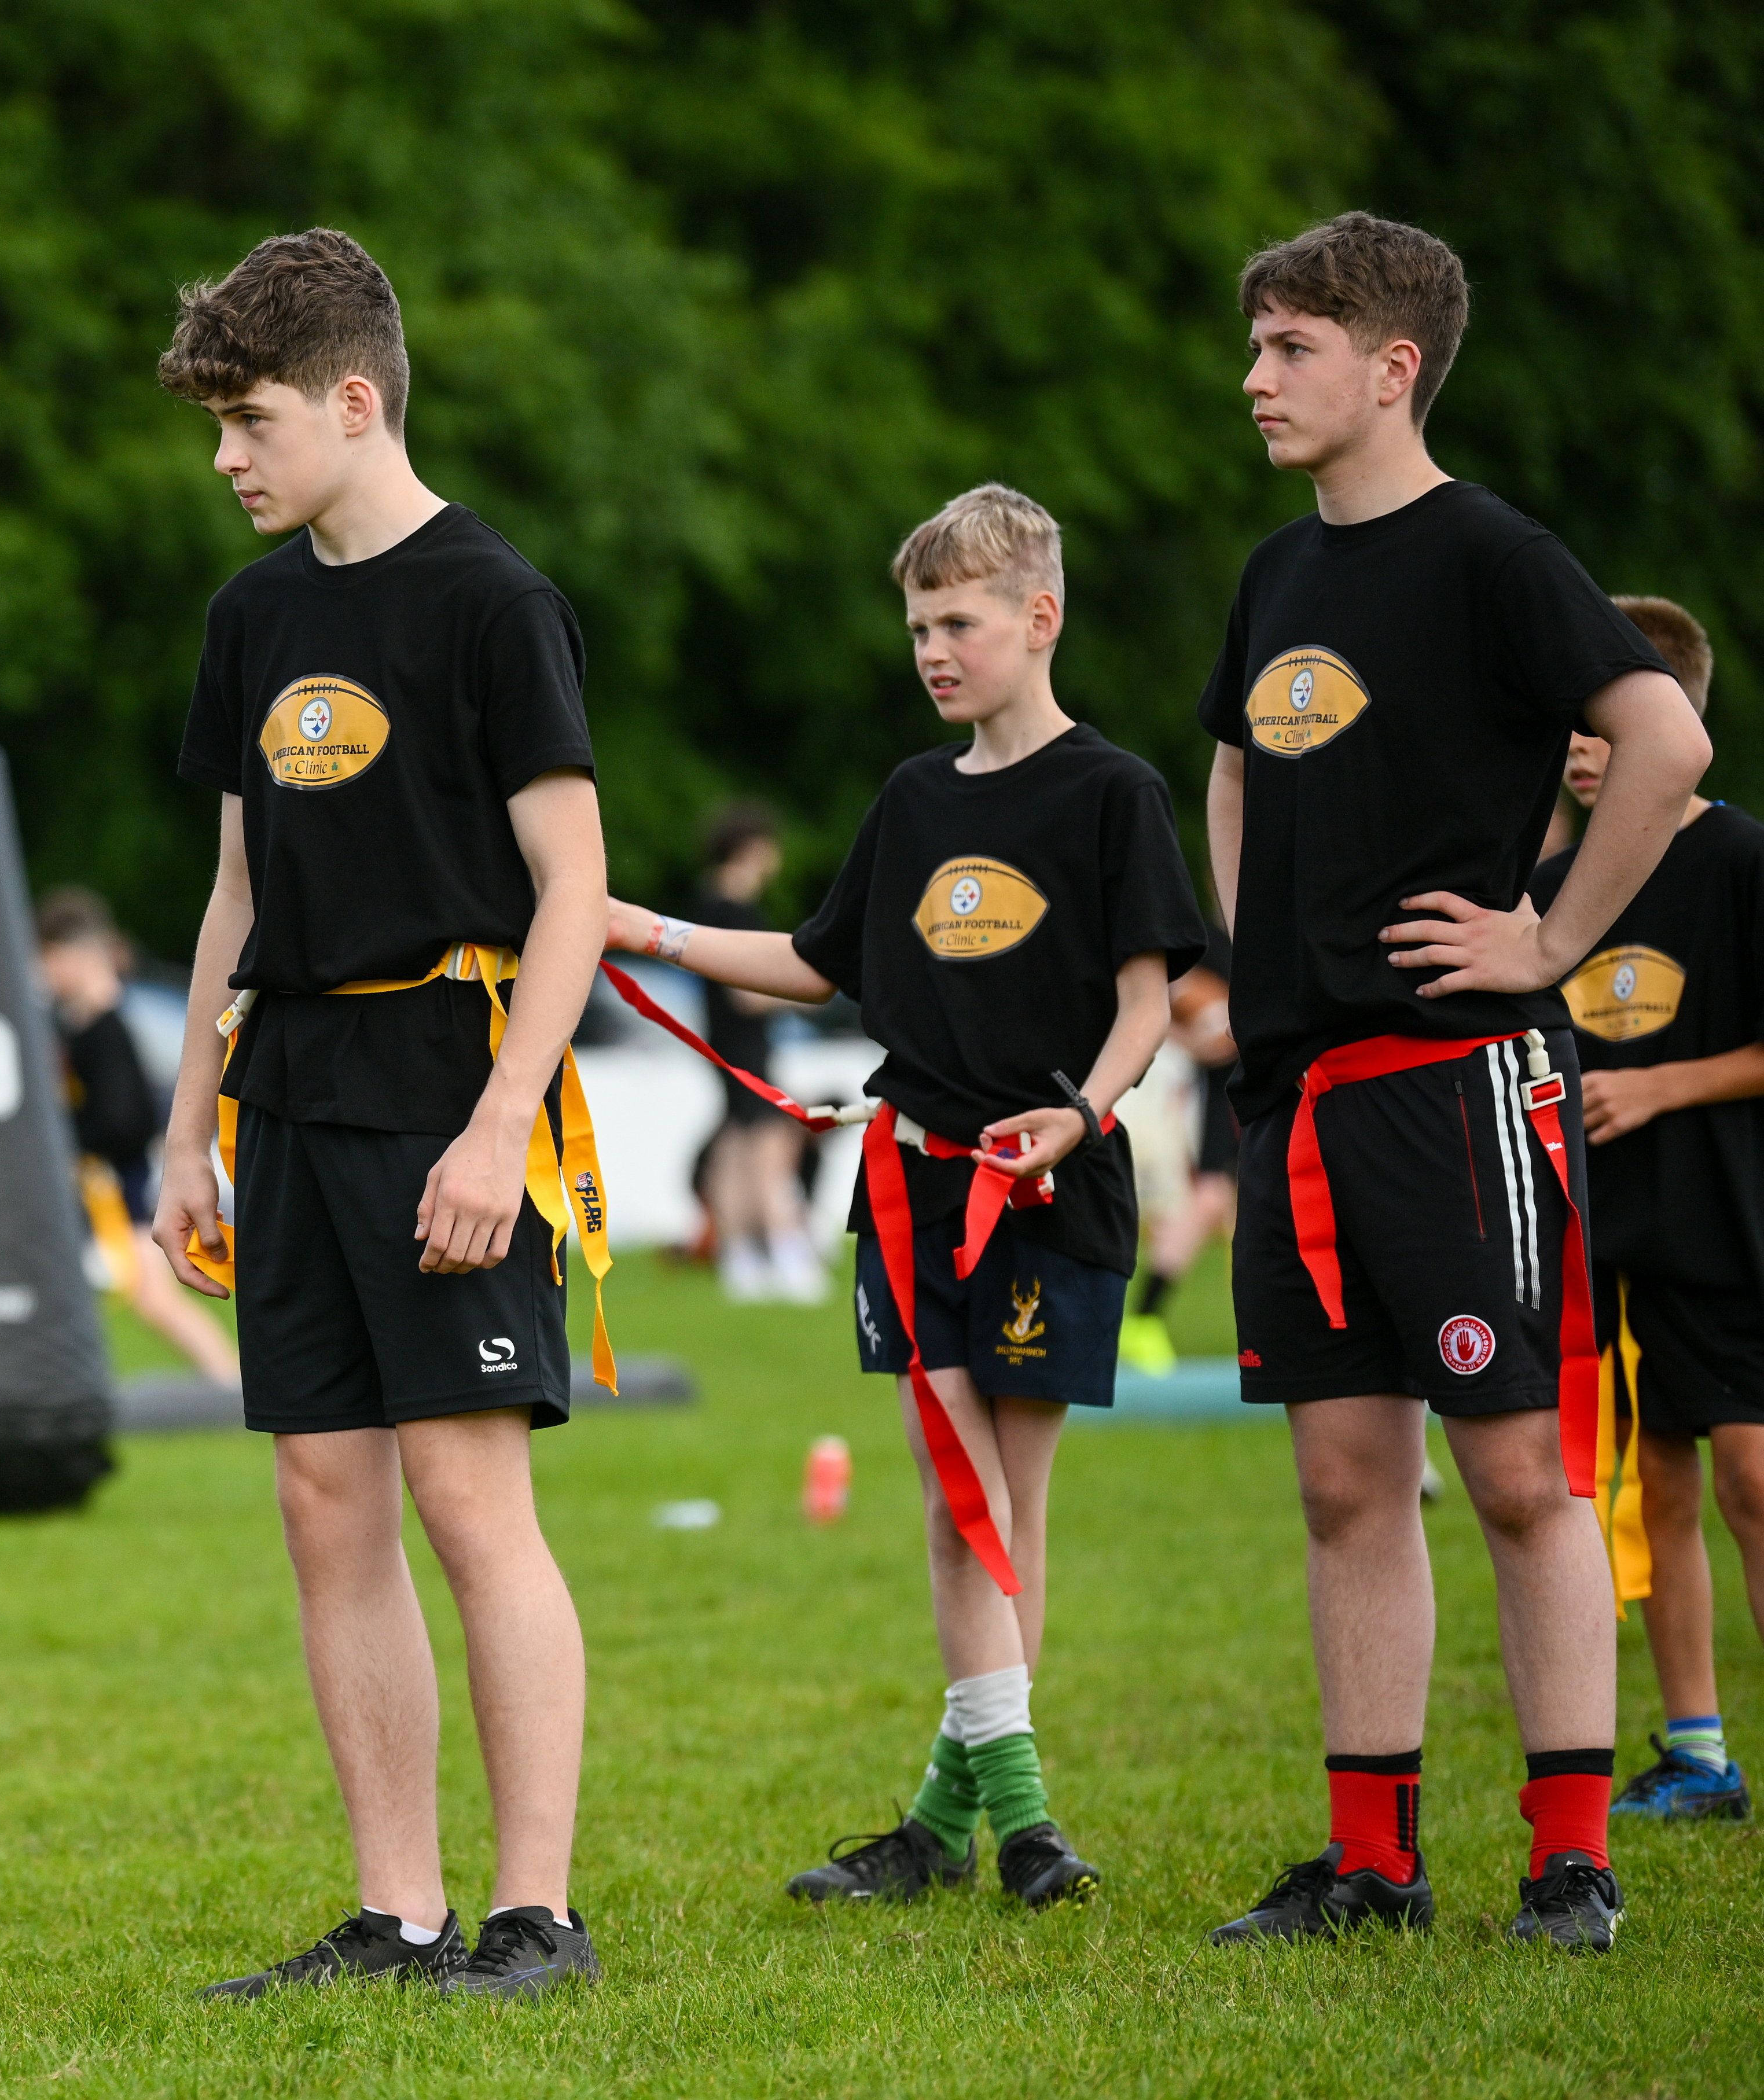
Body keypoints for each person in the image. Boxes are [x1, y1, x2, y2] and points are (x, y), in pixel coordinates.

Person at [1195, 214, 1708, 1952]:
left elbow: (1663, 740)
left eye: (1286, 348)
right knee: (1343, 1480)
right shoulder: (1275, 576)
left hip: (1453, 1081)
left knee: (1509, 1473)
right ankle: (1369, 1870)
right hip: (1297, 1093)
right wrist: (1243, 945)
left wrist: (1546, 942)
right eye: (1254, 345)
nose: (1252, 377)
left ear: (1388, 365)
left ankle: (1567, 1852)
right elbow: (1229, 763)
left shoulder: (1484, 551)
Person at [610, 484, 1201, 1912]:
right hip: (910, 1191)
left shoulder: (1113, 792)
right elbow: (820, 961)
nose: (931, 649)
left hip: (1047, 1190)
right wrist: (642, 927)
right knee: (958, 1501)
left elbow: (1147, 997)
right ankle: (1021, 1821)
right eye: (917, 625)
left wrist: (1083, 1110)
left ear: (1036, 618)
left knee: (1008, 1504)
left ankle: (957, 1818)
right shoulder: (913, 798)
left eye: (958, 622)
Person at [149, 229, 608, 2001]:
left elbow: (570, 887)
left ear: (353, 401)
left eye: (247, 419)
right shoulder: (251, 617)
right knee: (322, 1501)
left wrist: (498, 1127)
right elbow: (234, 891)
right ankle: (394, 1912)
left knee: (465, 1500)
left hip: (449, 1078)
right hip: (292, 1090)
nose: (224, 458)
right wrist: (186, 1119)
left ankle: (532, 1917)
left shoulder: (492, 601)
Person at [1528, 596, 1762, 1825]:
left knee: (1752, 1480)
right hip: (1606, 1234)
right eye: (1565, 724)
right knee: (1650, 1486)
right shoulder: (1555, 887)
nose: (1572, 746)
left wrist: (1660, 1083)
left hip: (1729, 1224)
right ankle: (1694, 1751)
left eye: (1593, 721)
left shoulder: (1738, 861)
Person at [35, 884, 240, 1382]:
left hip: (126, 1180)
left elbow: (126, 1118)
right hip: (119, 1177)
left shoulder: (107, 1028)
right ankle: (226, 1380)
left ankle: (228, 1381)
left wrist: (75, 1140)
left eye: (46, 959)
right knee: (149, 1294)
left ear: (68, 954)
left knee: (152, 1295)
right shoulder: (89, 1023)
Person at [685, 805, 823, 1304]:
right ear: (752, 849)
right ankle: (788, 1257)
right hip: (746, 1047)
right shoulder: (738, 913)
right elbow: (749, 994)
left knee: (732, 1149)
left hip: (720, 1047)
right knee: (767, 1150)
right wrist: (810, 991)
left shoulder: (705, 905)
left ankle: (739, 1259)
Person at [1118, 924, 1239, 1373]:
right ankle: (1144, 1321)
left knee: (1219, 1204)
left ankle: (1145, 1321)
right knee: (1209, 1199)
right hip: (1228, 1097)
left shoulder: (1278, 922)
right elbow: (1161, 1003)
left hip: (1251, 1092)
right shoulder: (1205, 939)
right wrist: (1202, 1040)